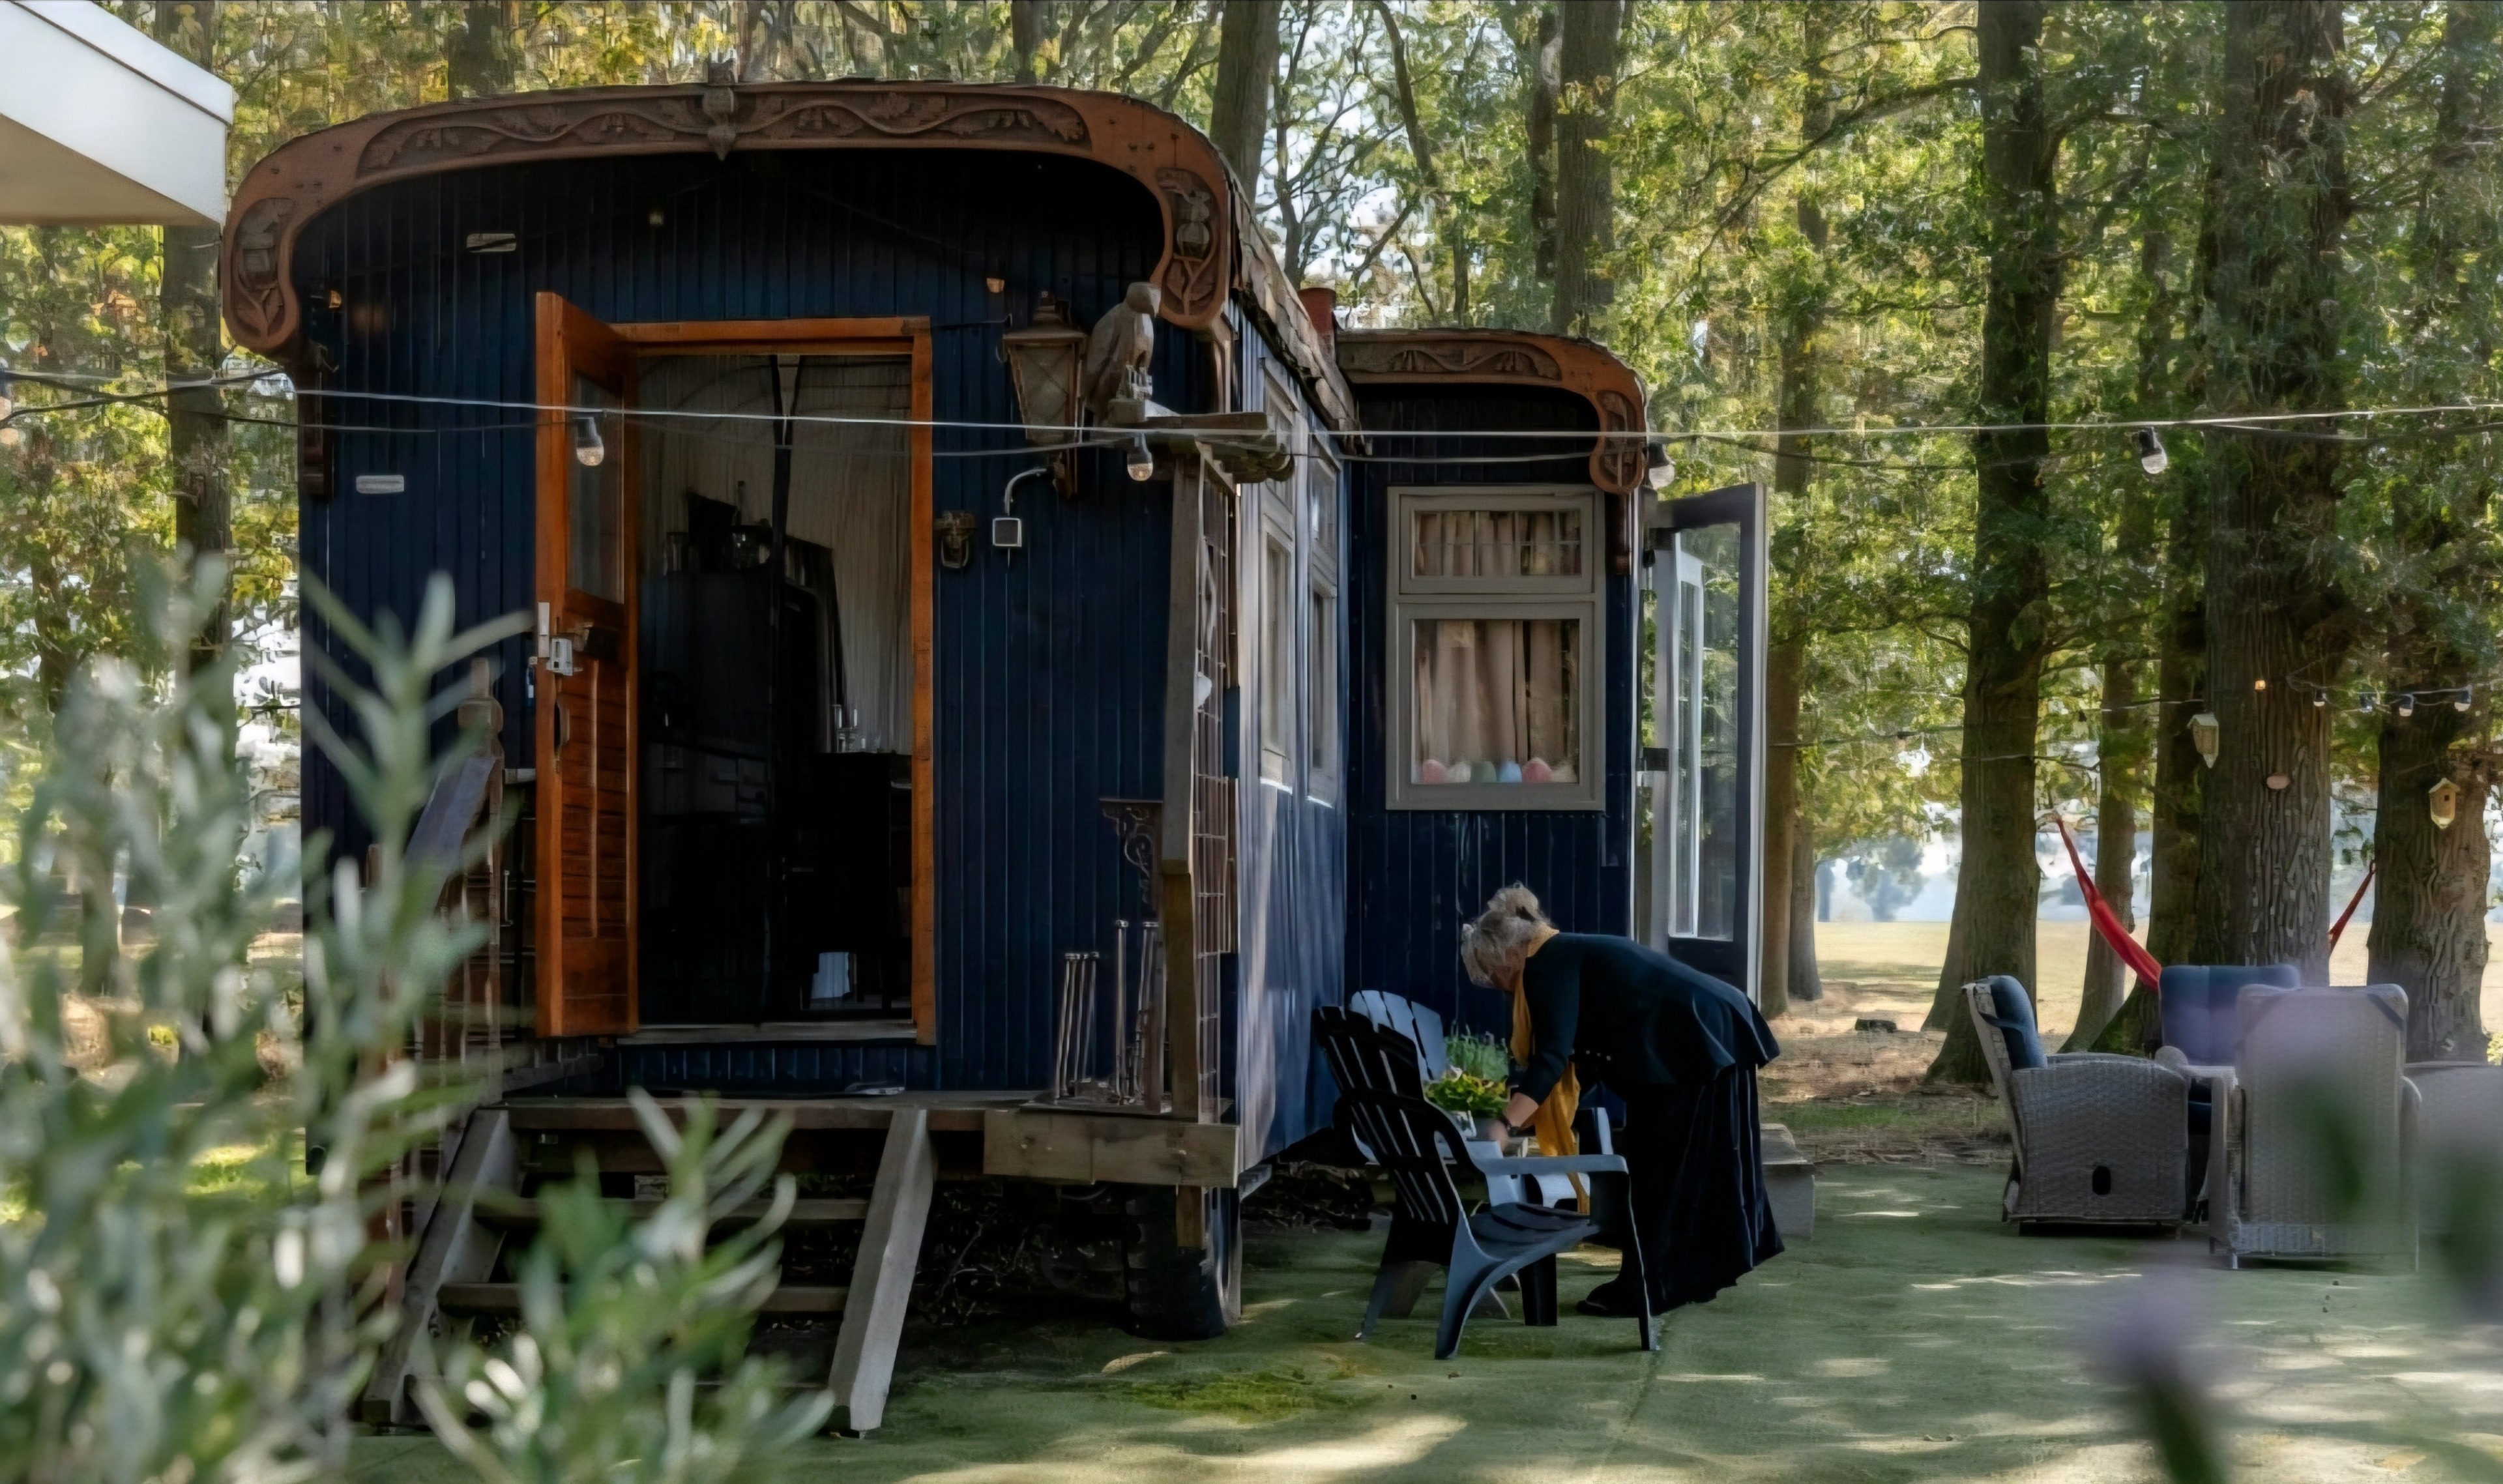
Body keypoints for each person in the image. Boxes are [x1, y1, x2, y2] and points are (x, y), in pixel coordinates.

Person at [1460, 882, 1783, 1318]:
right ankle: (1658, 1281)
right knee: (1660, 1164)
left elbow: (1553, 1055)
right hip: (1700, 1035)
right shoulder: (1558, 954)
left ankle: (1647, 1288)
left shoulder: (1545, 963)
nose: (1496, 985)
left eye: (1489, 971)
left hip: (1696, 1039)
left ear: (1507, 953)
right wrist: (1534, 1109)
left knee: (1659, 1170)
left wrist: (1506, 1124)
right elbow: (1582, 1057)